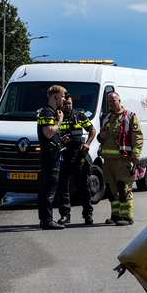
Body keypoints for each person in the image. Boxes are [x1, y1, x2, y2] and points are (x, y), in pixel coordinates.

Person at [97, 91, 144, 225]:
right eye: (109, 101)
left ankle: (127, 217)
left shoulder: (129, 116)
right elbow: (101, 137)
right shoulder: (106, 118)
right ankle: (115, 216)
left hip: (123, 160)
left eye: (114, 100)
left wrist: (135, 156)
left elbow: (138, 137)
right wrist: (102, 136)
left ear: (119, 100)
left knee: (124, 188)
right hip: (108, 161)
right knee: (112, 191)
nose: (111, 103)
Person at [56, 95, 96, 226]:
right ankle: (65, 216)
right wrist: (60, 139)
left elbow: (92, 130)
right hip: (64, 154)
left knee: (84, 186)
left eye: (69, 103)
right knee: (63, 187)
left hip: (79, 154)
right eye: (65, 104)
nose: (68, 106)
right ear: (61, 104)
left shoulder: (79, 115)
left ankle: (88, 215)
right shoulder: (58, 116)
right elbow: (51, 134)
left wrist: (88, 144)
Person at [36, 85, 67, 230]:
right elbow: (48, 133)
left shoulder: (51, 112)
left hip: (51, 155)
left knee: (47, 189)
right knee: (49, 190)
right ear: (55, 96)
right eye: (62, 96)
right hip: (49, 158)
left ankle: (45, 219)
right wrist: (59, 121)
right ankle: (48, 220)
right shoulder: (47, 112)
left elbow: (51, 136)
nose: (64, 99)